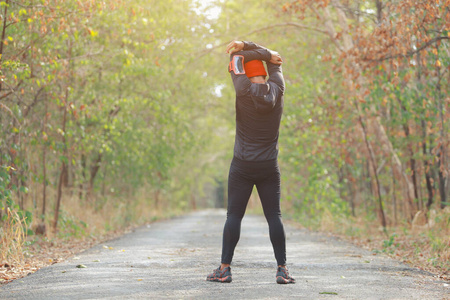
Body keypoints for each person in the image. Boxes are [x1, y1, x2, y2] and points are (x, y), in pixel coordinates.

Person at [206, 40, 295, 284]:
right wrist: (263, 51)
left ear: (245, 72)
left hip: (242, 165)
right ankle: (282, 269)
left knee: (234, 215)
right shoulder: (278, 88)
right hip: (268, 165)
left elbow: (236, 56)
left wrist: (244, 46)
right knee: (273, 216)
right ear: (265, 73)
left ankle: (225, 269)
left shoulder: (242, 88)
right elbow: (276, 59)